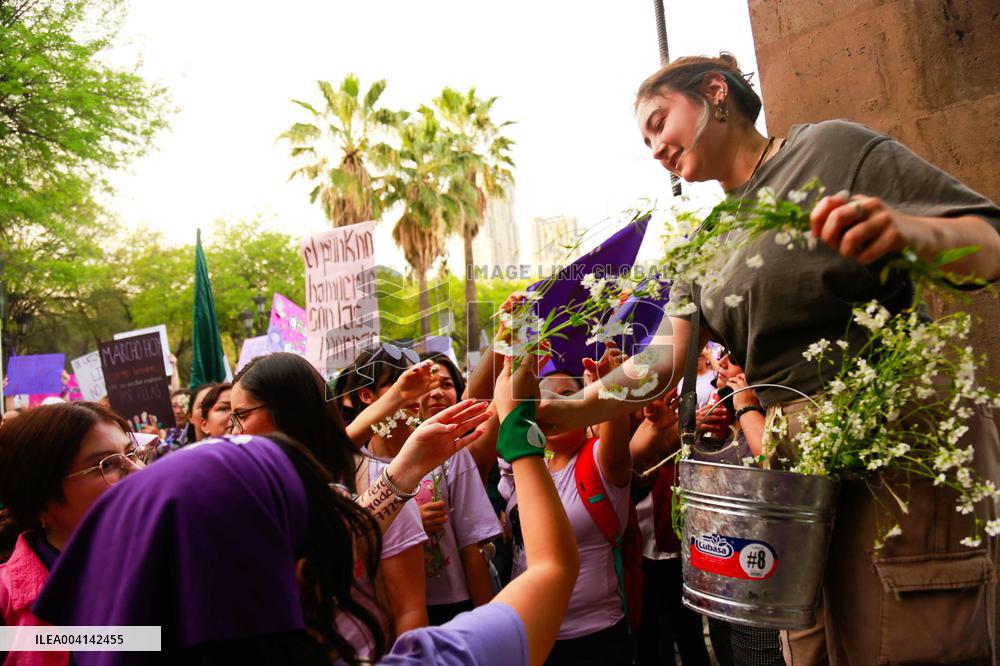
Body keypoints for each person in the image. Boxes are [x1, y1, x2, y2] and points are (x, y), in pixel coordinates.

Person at [538, 53, 1000, 665]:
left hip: (899, 445)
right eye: (644, 141)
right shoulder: (702, 244)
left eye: (659, 123)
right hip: (792, 476)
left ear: (714, 92)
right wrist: (563, 413)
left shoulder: (832, 150)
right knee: (810, 647)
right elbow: (662, 362)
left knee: (909, 641)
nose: (654, 149)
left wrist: (913, 234)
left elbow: (989, 244)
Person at [34, 355, 579, 665]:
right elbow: (552, 571)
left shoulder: (104, 622)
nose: (132, 471)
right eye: (106, 464)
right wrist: (519, 430)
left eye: (131, 456)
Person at [231, 352, 433, 655]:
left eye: (242, 416)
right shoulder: (250, 490)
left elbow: (409, 610)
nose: (235, 431)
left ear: (287, 410)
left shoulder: (373, 478)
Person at [341, 349, 501, 626]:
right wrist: (411, 523)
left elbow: (472, 546)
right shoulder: (349, 464)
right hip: (383, 613)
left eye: (419, 382)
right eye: (402, 383)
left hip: (453, 606)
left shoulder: (444, 446)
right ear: (367, 395)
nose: (417, 392)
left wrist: (487, 626)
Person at [505, 343, 635, 666]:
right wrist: (511, 342)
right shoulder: (524, 468)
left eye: (568, 394)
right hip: (531, 635)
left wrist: (611, 388)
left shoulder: (600, 459)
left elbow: (616, 428)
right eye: (543, 394)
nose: (553, 401)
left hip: (595, 639)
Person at [0, 402, 144, 664]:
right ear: (41, 500)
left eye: (133, 454)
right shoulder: (5, 604)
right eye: (107, 464)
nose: (139, 472)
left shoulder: (174, 562)